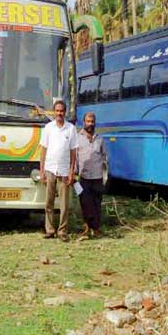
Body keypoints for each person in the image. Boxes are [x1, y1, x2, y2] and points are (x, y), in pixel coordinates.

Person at [39, 100, 77, 241]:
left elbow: (74, 152)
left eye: (62, 111)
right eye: (57, 111)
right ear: (54, 112)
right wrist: (41, 170)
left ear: (65, 112)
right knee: (48, 203)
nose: (59, 113)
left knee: (64, 205)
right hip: (50, 170)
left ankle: (62, 231)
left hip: (64, 171)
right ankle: (49, 230)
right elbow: (43, 150)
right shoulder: (48, 128)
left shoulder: (71, 128)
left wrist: (72, 171)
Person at [75, 112, 108, 240]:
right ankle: (87, 228)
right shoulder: (78, 138)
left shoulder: (100, 139)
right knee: (85, 203)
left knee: (96, 203)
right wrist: (74, 173)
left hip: (98, 177)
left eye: (92, 121)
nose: (90, 124)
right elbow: (75, 157)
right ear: (84, 122)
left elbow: (105, 157)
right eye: (88, 121)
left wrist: (105, 175)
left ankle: (96, 228)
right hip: (83, 177)